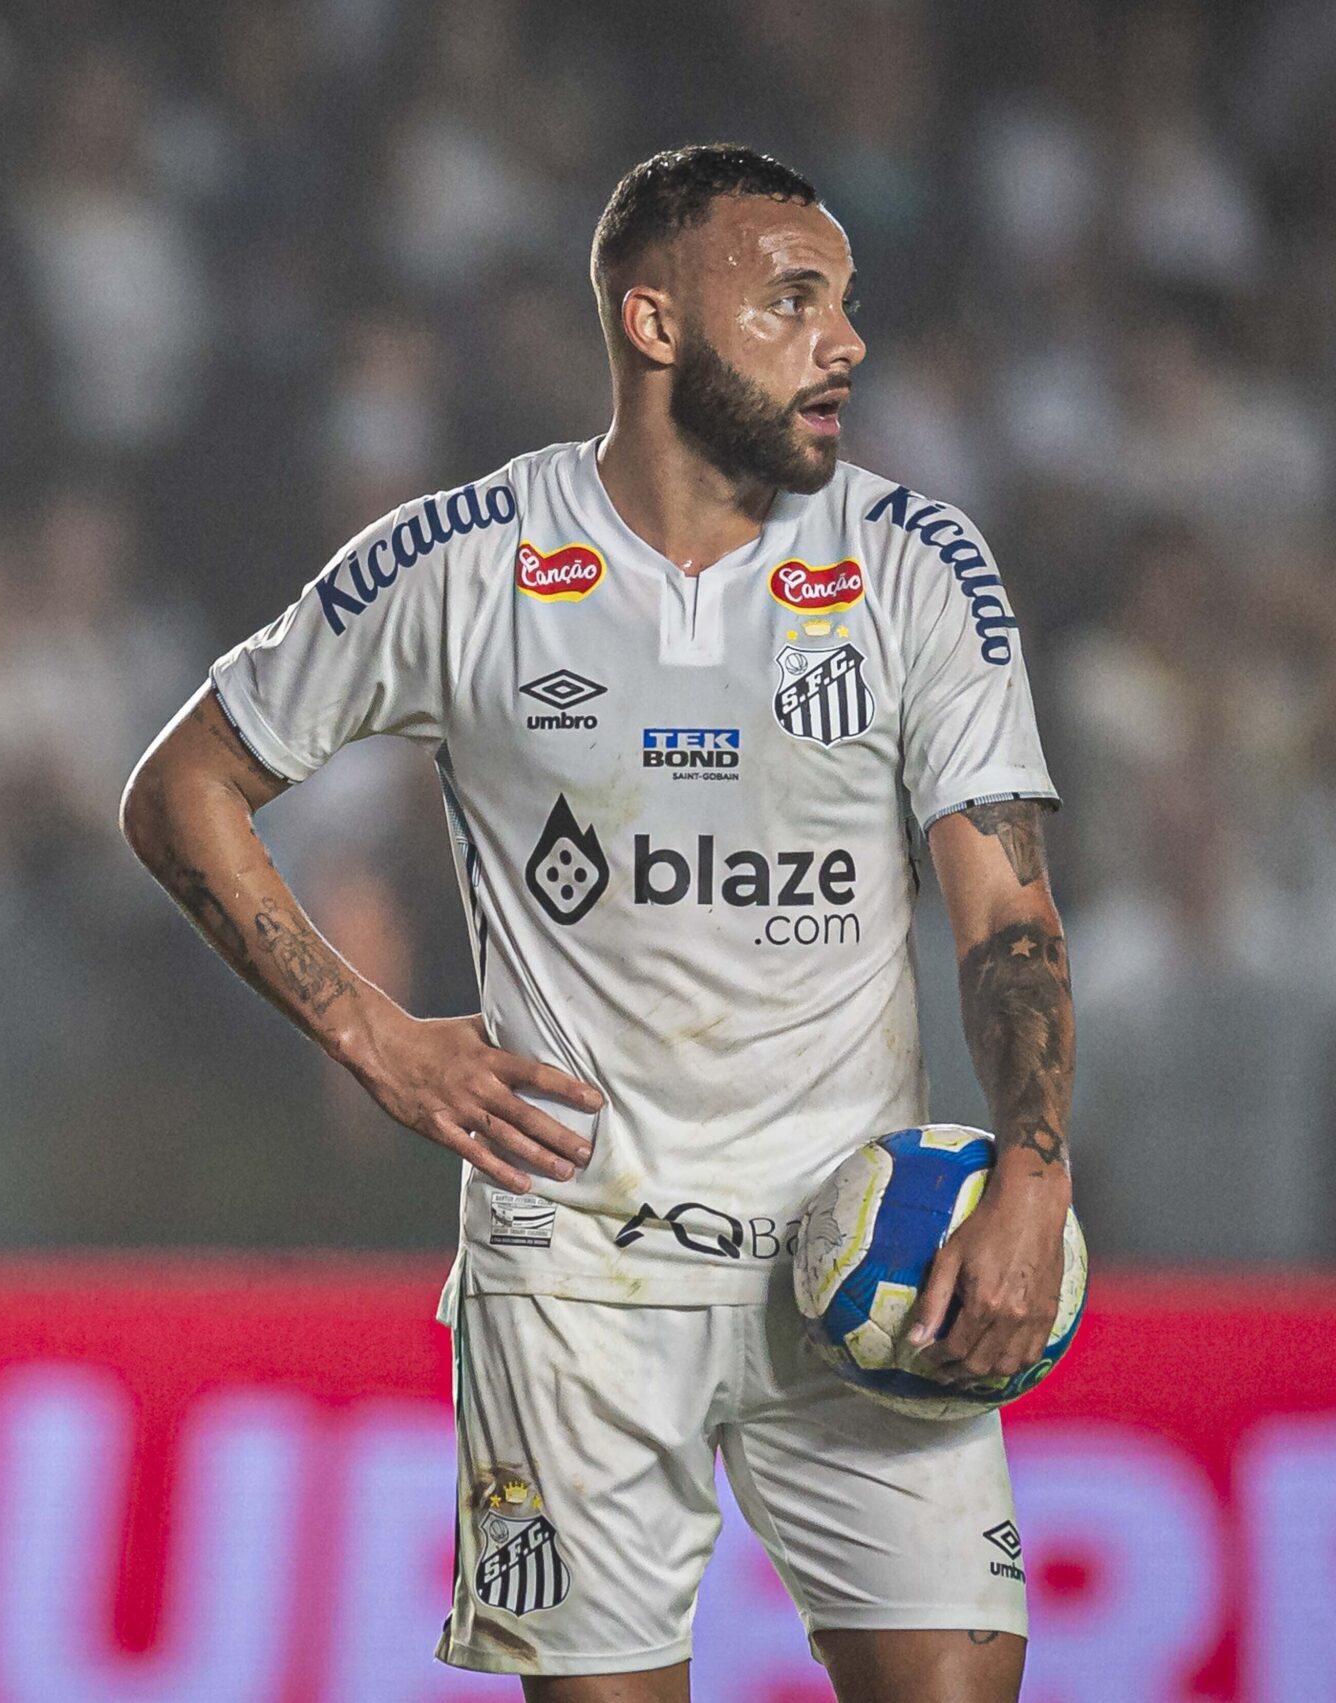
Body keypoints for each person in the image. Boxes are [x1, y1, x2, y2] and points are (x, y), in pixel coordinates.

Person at [121, 144, 1072, 1702]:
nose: (844, 341)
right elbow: (182, 790)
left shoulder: (916, 566)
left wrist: (1031, 1172)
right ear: (653, 324)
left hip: (871, 1264)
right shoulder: (463, 562)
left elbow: (1009, 927)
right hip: (576, 1281)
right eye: (791, 300)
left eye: (845, 303)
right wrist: (374, 1035)